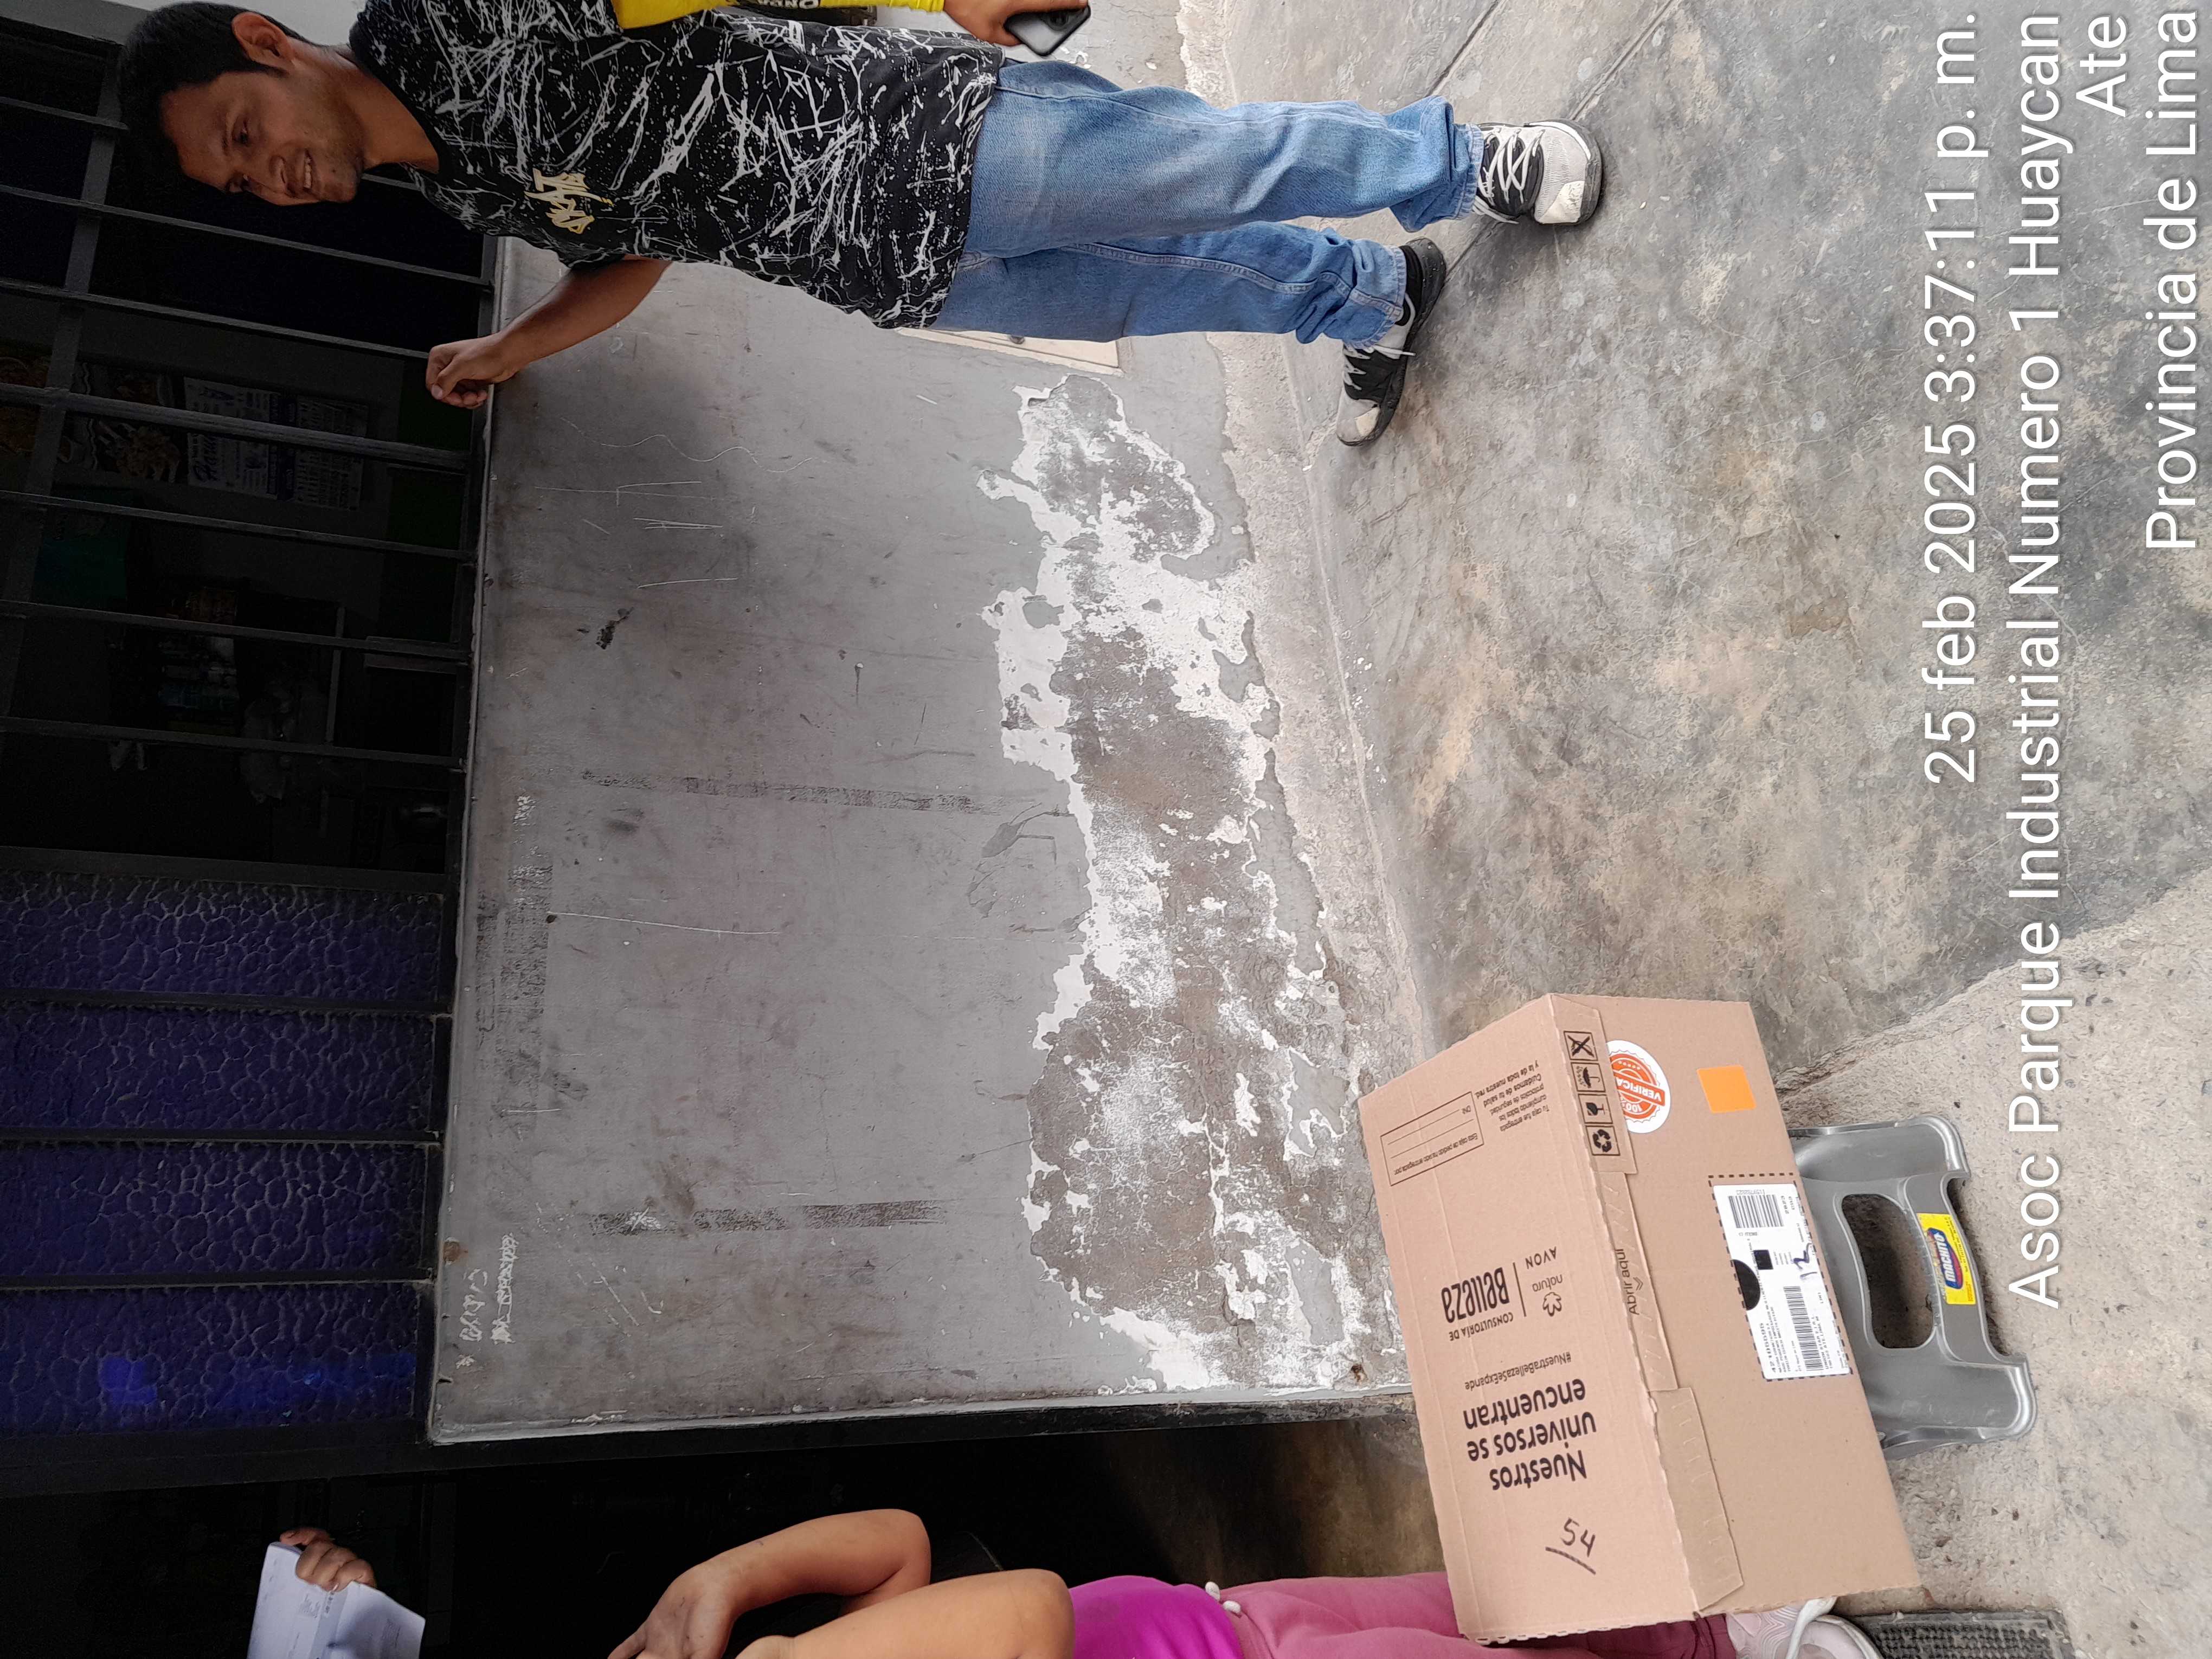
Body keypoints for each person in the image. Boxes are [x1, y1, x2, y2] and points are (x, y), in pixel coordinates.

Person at [117, 1, 1603, 447]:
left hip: (919, 130)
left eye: (246, 137)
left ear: (266, 44)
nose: (271, 175)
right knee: (1160, 287)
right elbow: (635, 248)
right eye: (239, 185)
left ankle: (1467, 163)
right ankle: (1371, 296)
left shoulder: (449, 16)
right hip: (878, 266)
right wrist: (518, 346)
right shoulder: (454, 185)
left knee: (1211, 167)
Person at [607, 1508, 1887, 1659]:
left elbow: (900, 1547)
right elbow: (1024, 1607)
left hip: (1237, 1620)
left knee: (1497, 1610)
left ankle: (1723, 1638)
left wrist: (723, 1577)